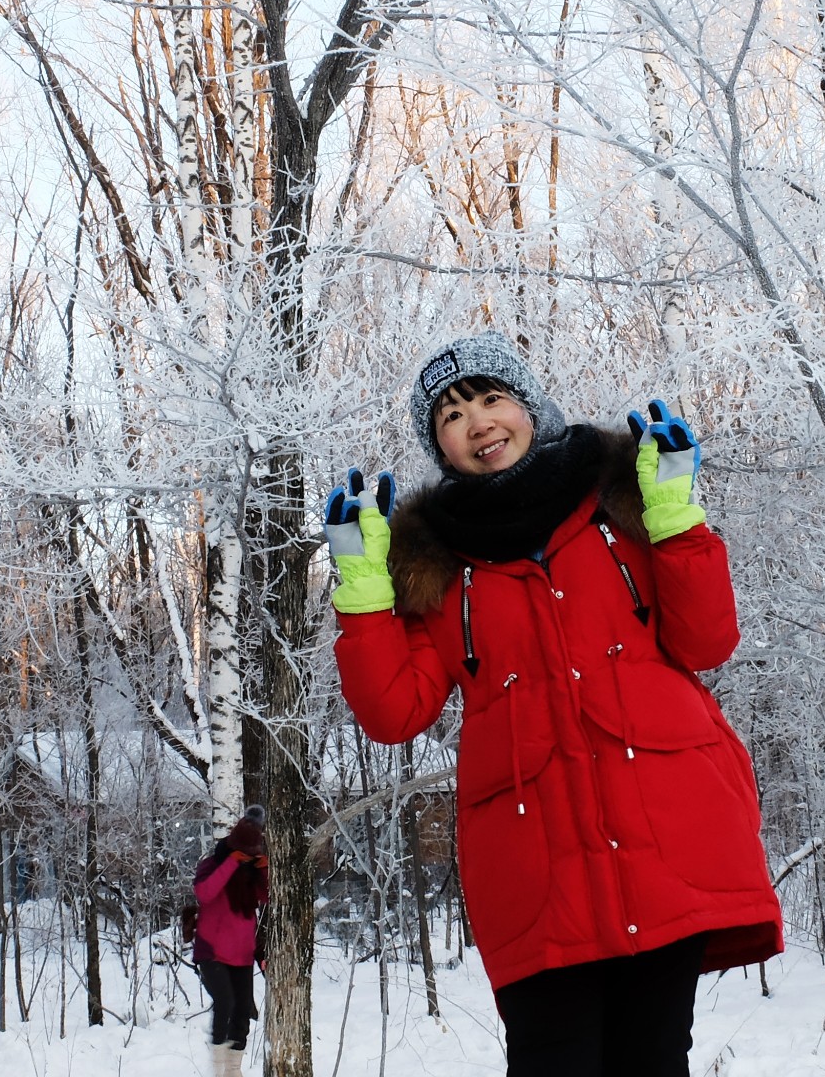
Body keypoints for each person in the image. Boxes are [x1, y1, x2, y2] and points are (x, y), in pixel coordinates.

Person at [329, 332, 782, 1077]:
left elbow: (706, 642)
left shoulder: (620, 503)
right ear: (438, 445)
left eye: (489, 397)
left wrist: (674, 515)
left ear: (529, 405)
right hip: (533, 871)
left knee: (651, 1060)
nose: (476, 422)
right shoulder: (435, 562)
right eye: (449, 415)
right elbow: (392, 712)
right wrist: (365, 588)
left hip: (664, 838)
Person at [193, 804, 268, 1052]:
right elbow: (204, 893)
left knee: (242, 1017)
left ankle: (232, 1069)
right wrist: (232, 864)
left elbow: (268, 895)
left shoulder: (251, 875)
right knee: (225, 1003)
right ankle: (217, 1064)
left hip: (242, 956)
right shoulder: (213, 864)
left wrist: (261, 867)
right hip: (212, 953)